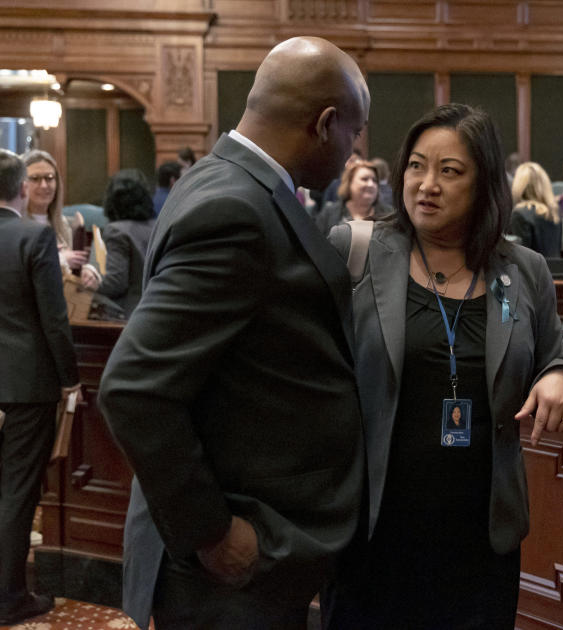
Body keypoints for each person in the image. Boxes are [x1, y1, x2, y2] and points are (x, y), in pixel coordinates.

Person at [98, 36, 370, 630]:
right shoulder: (237, 209)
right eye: (354, 133)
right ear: (324, 124)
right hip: (228, 571)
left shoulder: (218, 180)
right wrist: (214, 534)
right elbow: (134, 388)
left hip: (247, 552)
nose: (354, 153)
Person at [326, 103, 563, 629]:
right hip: (374, 531)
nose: (426, 184)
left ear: (485, 181)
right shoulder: (355, 251)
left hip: (480, 536)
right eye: (417, 166)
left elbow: (554, 356)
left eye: (450, 171)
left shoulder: (523, 269)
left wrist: (560, 376)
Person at [0, 149, 81, 625]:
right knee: (17, 492)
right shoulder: (33, 237)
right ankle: (9, 598)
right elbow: (54, 321)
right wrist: (71, 378)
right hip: (28, 385)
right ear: (19, 187)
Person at [80, 169, 157, 317]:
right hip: (156, 311)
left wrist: (91, 279)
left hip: (127, 318)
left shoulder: (117, 231)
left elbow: (115, 283)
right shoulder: (157, 226)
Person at [22, 150, 87, 272]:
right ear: (22, 184)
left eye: (49, 178)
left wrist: (88, 270)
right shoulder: (15, 224)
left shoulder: (63, 224)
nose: (44, 185)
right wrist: (60, 259)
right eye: (35, 179)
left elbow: (72, 262)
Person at [313, 159, 391, 236]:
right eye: (364, 179)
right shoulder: (330, 213)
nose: (371, 184)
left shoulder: (388, 214)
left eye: (374, 180)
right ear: (350, 183)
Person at [509, 161, 562, 257]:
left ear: (519, 186)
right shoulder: (555, 214)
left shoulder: (519, 215)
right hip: (555, 271)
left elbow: (520, 259)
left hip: (530, 271)